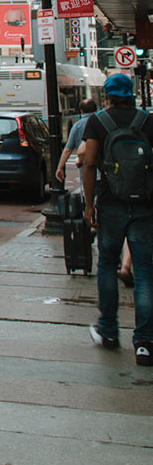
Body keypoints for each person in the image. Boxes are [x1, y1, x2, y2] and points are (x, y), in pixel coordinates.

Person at [82, 72, 152, 365]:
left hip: (110, 204)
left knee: (108, 265)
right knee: (146, 272)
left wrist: (88, 205)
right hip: (145, 206)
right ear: (131, 94)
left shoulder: (98, 121)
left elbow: (89, 163)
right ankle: (145, 343)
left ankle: (108, 331)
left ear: (107, 96)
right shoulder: (147, 121)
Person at [56, 97, 97, 183]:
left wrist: (60, 167)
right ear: (96, 109)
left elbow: (68, 149)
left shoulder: (77, 126)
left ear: (81, 111)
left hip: (86, 169)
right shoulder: (101, 121)